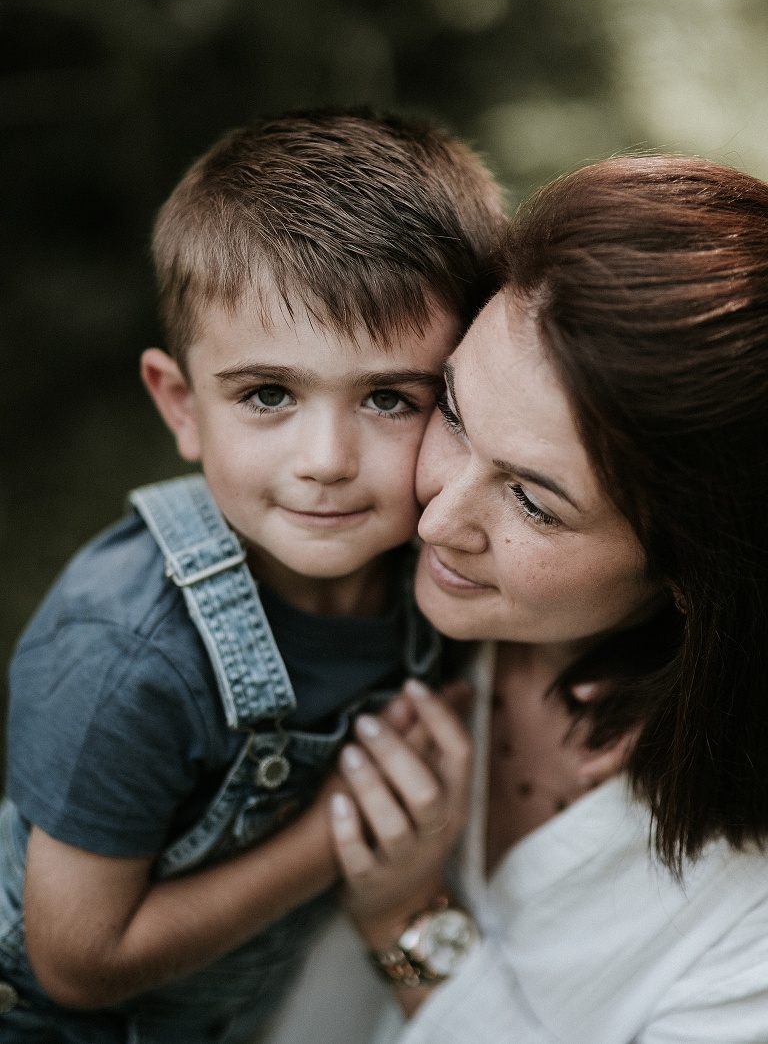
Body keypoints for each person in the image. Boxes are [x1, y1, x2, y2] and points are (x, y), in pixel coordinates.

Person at [0, 110, 504, 1044]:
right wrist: (333, 839)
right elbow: (75, 961)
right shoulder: (128, 656)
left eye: (389, 398)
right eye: (267, 394)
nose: (324, 459)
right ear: (182, 406)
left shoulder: (436, 580)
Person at [329, 156, 768, 1043]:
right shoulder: (353, 571)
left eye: (534, 501)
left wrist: (409, 921)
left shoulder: (742, 930)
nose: (437, 517)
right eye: (452, 410)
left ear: (693, 575)